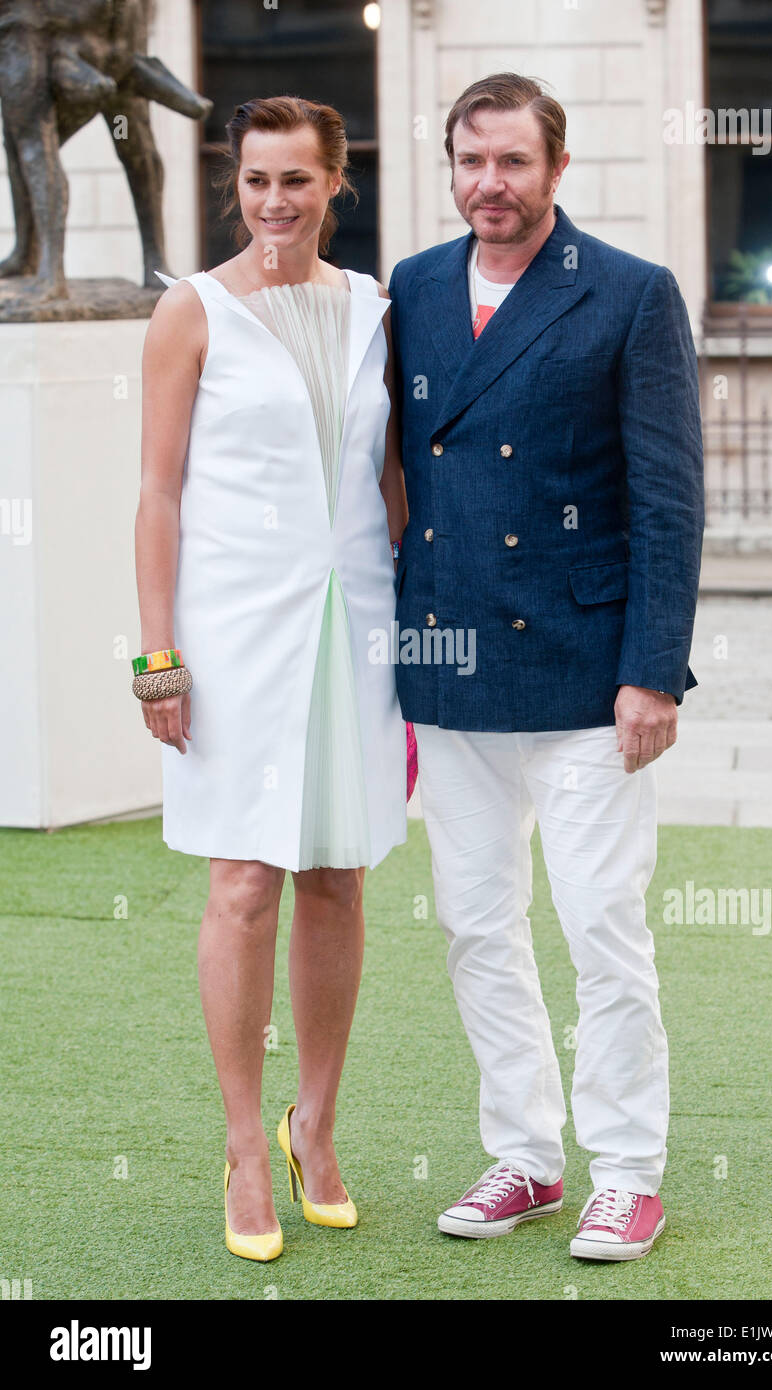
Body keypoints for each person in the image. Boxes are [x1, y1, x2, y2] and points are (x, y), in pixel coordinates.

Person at [387, 73, 704, 1260]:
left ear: (555, 169)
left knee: (599, 924)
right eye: (470, 161)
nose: (489, 186)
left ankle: (627, 1170)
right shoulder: (410, 289)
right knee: (475, 924)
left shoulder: (626, 294)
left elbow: (667, 499)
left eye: (512, 162)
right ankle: (524, 1155)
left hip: (585, 669)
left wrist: (654, 672)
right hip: (450, 658)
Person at [134, 95, 408, 1261]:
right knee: (245, 880)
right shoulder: (187, 311)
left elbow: (393, 483)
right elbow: (157, 494)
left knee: (337, 876)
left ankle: (318, 1122)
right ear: (234, 186)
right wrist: (157, 655)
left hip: (358, 628)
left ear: (334, 183)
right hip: (233, 631)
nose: (274, 203)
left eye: (296, 180)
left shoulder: (379, 314)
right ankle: (246, 1143)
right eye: (254, 181)